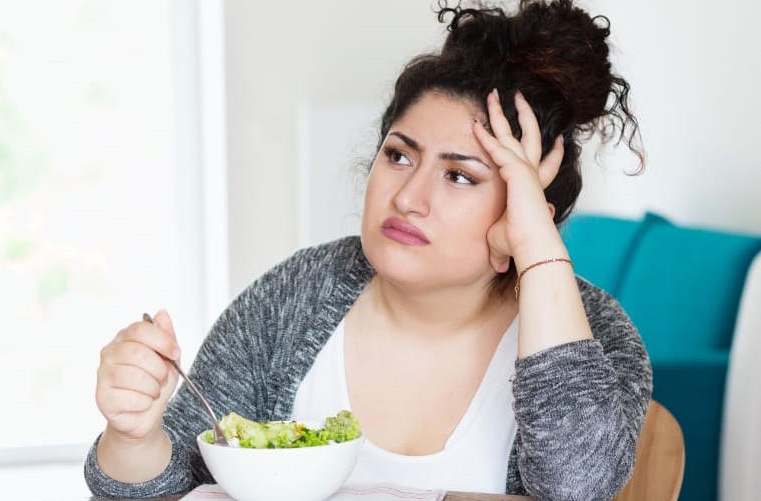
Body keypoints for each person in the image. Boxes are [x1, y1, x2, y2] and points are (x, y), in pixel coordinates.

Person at [85, 0, 651, 499]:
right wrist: (132, 434)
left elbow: (579, 487)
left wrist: (536, 249)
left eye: (460, 177)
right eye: (400, 156)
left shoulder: (594, 332)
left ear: (522, 211)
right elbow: (169, 483)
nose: (407, 197)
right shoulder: (298, 294)